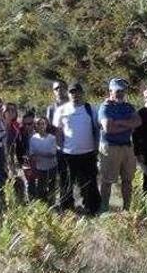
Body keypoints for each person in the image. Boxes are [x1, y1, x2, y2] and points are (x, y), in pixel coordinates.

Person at [54, 82, 101, 215]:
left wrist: (97, 148)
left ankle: (92, 208)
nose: (75, 95)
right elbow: (58, 132)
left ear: (82, 93)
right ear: (68, 94)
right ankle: (67, 209)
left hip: (88, 153)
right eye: (72, 92)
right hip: (69, 154)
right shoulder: (61, 110)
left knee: (90, 183)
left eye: (77, 92)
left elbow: (97, 130)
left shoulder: (91, 109)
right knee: (67, 183)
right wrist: (60, 149)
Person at [98, 78, 142, 212]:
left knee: (127, 180)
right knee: (107, 181)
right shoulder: (105, 107)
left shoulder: (129, 107)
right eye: (117, 90)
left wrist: (118, 123)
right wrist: (128, 125)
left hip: (127, 147)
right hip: (110, 147)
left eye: (122, 90)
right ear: (110, 91)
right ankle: (104, 208)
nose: (120, 93)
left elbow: (138, 122)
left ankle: (127, 209)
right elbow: (108, 128)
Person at [45, 80, 70, 208]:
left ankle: (66, 203)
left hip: (73, 146)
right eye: (56, 88)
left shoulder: (73, 105)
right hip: (56, 147)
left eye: (61, 87)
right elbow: (48, 128)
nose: (59, 90)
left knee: (68, 176)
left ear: (66, 89)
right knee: (54, 176)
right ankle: (53, 203)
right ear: (54, 91)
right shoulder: (51, 109)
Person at [28, 116, 58, 204]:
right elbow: (32, 154)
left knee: (51, 188)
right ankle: (43, 208)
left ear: (46, 125)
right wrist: (43, 154)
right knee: (41, 189)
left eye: (43, 124)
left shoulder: (52, 138)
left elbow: (53, 153)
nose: (41, 126)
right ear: (35, 126)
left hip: (51, 167)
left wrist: (39, 154)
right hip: (39, 168)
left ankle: (53, 206)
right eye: (38, 124)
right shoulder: (33, 139)